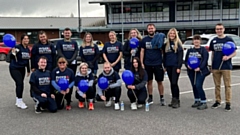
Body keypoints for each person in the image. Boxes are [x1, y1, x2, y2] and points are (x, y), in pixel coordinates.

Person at [210, 23, 237, 111]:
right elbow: (213, 53)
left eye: (220, 29)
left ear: (224, 29)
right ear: (215, 30)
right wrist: (211, 65)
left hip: (226, 66)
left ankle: (228, 102)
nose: (219, 30)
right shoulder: (213, 40)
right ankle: (218, 101)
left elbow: (234, 52)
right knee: (217, 85)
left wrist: (228, 57)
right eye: (217, 29)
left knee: (227, 85)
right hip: (216, 66)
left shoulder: (229, 39)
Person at [140, 23, 165, 106]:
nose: (151, 30)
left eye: (152, 28)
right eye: (149, 28)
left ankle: (162, 97)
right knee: (149, 81)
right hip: (148, 63)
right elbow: (142, 51)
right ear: (147, 30)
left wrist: (164, 64)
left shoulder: (159, 38)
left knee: (159, 81)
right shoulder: (144, 40)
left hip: (158, 63)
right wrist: (141, 62)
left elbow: (163, 51)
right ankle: (150, 97)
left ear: (155, 29)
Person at [185, 35, 210, 110]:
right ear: (193, 41)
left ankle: (203, 101)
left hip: (201, 71)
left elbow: (205, 60)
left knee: (198, 85)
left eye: (197, 40)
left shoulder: (203, 50)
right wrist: (187, 66)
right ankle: (197, 100)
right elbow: (186, 60)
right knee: (194, 85)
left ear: (200, 41)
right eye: (194, 40)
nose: (196, 41)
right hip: (191, 71)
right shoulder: (190, 50)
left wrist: (200, 68)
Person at [162, 28, 183, 108]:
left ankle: (177, 100)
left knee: (174, 83)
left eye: (173, 33)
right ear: (168, 34)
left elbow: (180, 57)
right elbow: (164, 56)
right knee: (171, 83)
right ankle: (173, 100)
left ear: (176, 35)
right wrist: (165, 66)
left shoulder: (178, 44)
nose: (172, 35)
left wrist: (179, 67)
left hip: (175, 66)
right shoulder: (166, 44)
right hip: (168, 66)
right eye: (171, 33)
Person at [9, 34, 30, 109]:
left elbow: (27, 60)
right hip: (15, 68)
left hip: (22, 68)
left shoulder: (27, 49)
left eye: (27, 39)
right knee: (19, 83)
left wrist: (28, 70)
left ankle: (18, 100)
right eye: (25, 39)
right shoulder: (18, 47)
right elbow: (10, 57)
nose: (26, 40)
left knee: (20, 84)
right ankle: (20, 101)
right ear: (22, 40)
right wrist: (13, 53)